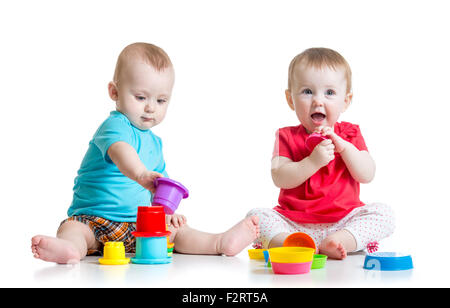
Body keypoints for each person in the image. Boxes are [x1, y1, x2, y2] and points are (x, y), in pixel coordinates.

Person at [31, 42, 259, 264]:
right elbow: (122, 152)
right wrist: (140, 174)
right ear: (114, 91)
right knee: (73, 229)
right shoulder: (115, 126)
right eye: (141, 97)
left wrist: (167, 212)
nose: (151, 107)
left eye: (161, 100)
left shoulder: (155, 143)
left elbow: (160, 190)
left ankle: (219, 242)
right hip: (93, 219)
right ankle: (70, 249)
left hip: (140, 226)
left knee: (177, 231)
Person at [247, 47, 395, 259]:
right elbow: (280, 177)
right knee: (256, 217)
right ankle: (292, 243)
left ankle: (340, 241)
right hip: (294, 223)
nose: (318, 101)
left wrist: (344, 148)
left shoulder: (350, 134)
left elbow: (367, 174)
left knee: (384, 214)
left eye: (330, 93)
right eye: (307, 91)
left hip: (343, 221)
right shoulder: (286, 136)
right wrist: (312, 162)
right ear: (290, 100)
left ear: (345, 101)